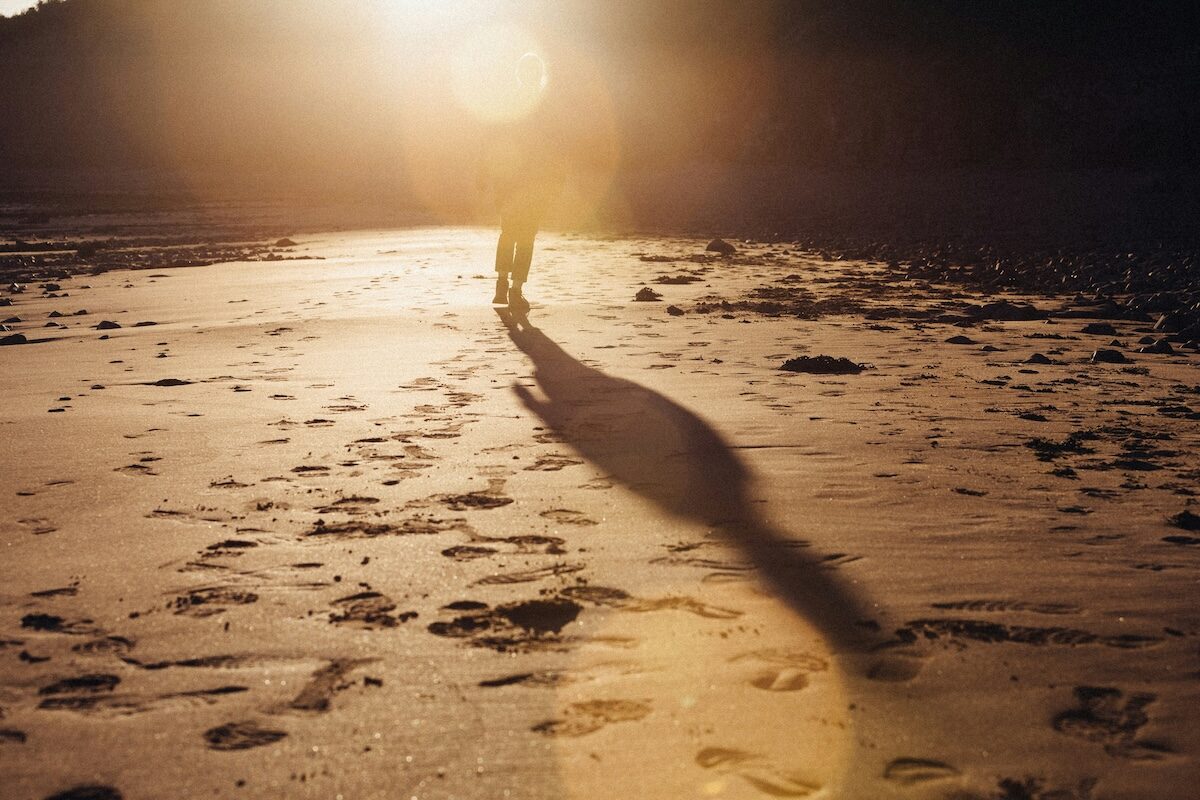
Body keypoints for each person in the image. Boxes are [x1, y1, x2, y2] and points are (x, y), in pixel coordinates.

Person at [479, 52, 565, 310]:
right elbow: (555, 149)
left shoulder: (509, 103)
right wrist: (557, 181)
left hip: (508, 180)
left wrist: (484, 173)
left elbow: (492, 140)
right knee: (526, 236)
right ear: (540, 76)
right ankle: (516, 289)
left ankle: (501, 284)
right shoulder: (547, 107)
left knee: (508, 233)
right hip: (534, 183)